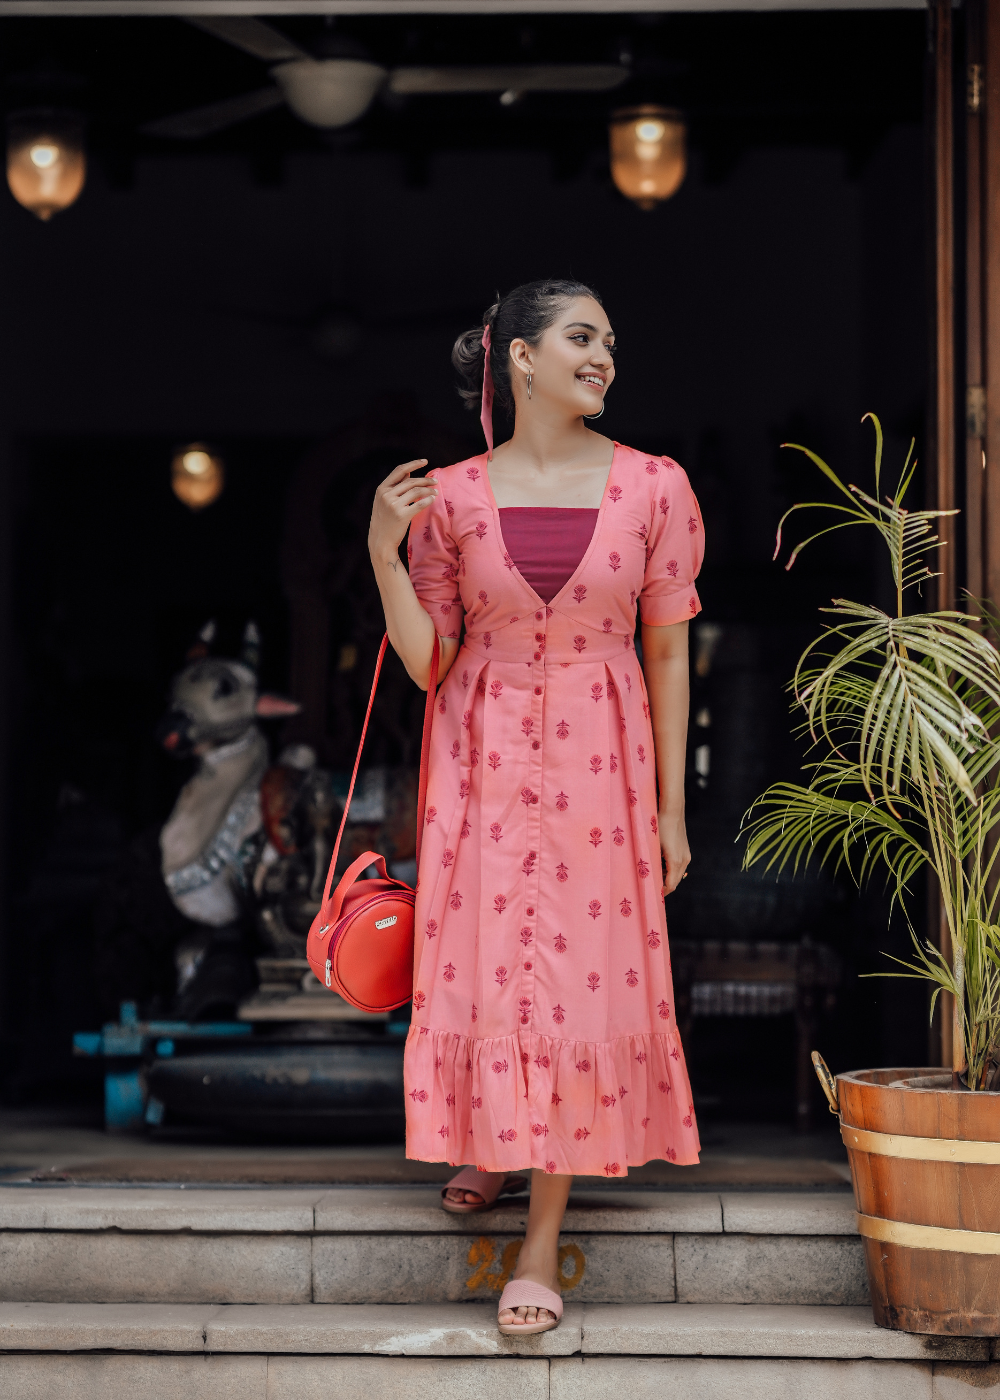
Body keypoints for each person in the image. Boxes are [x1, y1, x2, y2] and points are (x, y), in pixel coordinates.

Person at [368, 278, 703, 1335]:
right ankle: (489, 1138)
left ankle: (542, 1240)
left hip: (603, 768)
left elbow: (665, 650)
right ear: (517, 355)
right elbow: (429, 664)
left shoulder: (655, 486)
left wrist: (669, 809)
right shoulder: (453, 499)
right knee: (487, 962)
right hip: (480, 762)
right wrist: (383, 548)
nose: (603, 354)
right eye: (580, 336)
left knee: (580, 985)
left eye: (609, 339)